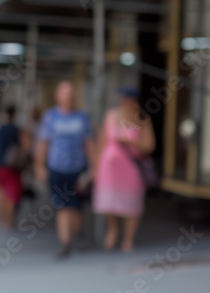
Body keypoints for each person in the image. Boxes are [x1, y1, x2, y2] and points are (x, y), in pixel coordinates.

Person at [35, 81, 96, 258]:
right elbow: (43, 143)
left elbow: (89, 143)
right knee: (61, 205)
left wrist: (94, 166)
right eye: (65, 92)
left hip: (77, 168)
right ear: (58, 96)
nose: (68, 96)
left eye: (71, 92)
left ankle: (77, 233)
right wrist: (39, 165)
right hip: (57, 167)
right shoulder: (50, 116)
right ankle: (65, 242)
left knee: (76, 206)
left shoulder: (83, 117)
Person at [93, 87, 156, 252]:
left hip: (131, 169)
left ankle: (128, 239)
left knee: (131, 203)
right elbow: (101, 142)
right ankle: (113, 230)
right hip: (110, 171)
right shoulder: (111, 116)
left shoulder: (142, 119)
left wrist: (130, 142)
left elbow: (149, 146)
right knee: (107, 202)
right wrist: (96, 167)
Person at [0, 105, 31, 229]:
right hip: (13, 166)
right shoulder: (18, 129)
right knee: (12, 194)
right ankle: (9, 221)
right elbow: (26, 146)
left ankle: (1, 218)